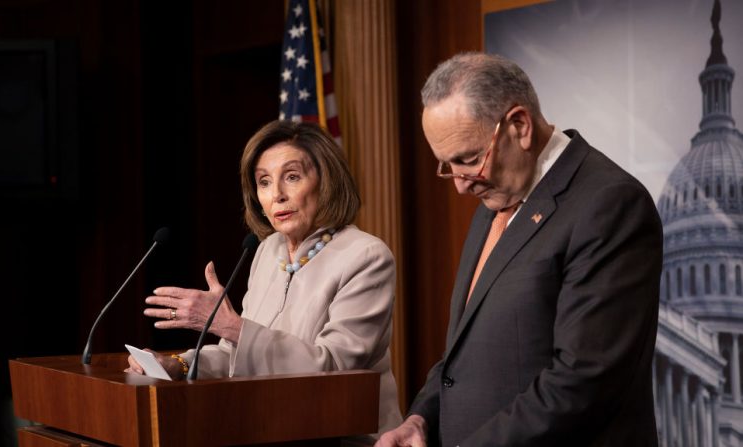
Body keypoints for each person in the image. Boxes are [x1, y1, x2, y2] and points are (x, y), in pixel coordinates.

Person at [377, 53, 663, 446]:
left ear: (519, 126)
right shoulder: (494, 197)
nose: (460, 184)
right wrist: (421, 419)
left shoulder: (610, 203)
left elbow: (581, 382)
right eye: (447, 165)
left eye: (468, 160)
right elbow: (466, 351)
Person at [126, 120, 402, 441]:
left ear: (327, 181)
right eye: (264, 182)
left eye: (292, 177)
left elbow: (334, 370)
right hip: (274, 429)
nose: (277, 196)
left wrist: (230, 326)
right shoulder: (268, 251)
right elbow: (241, 354)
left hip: (349, 437)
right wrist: (180, 365)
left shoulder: (366, 256)